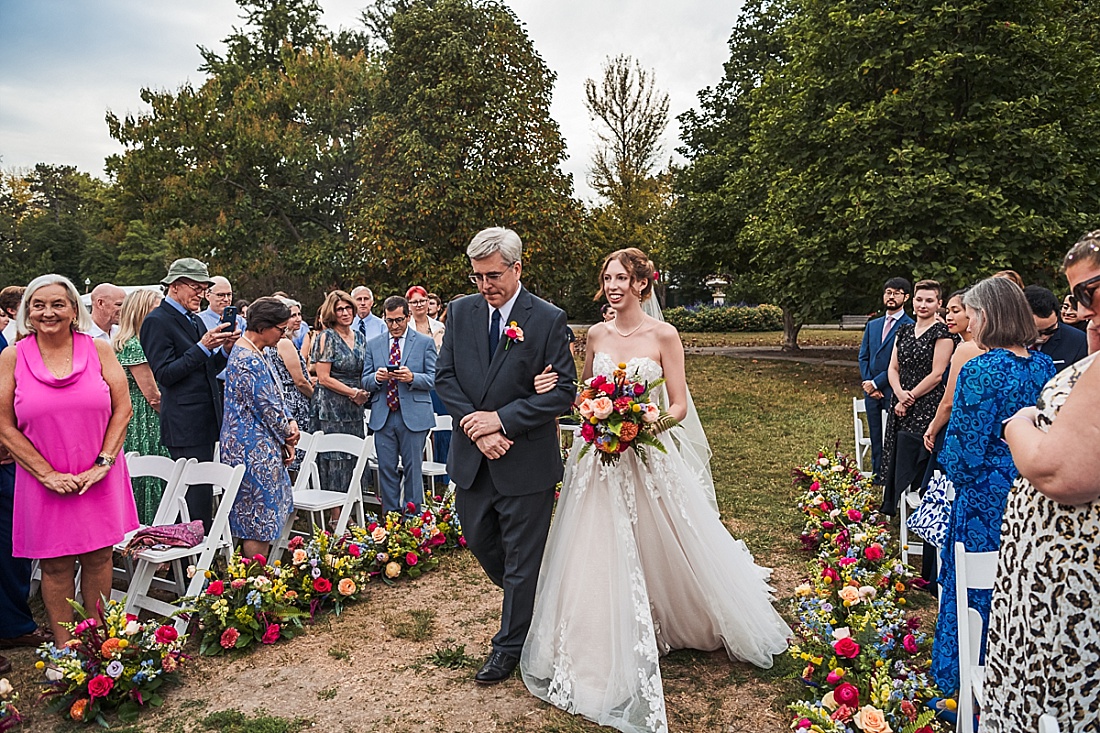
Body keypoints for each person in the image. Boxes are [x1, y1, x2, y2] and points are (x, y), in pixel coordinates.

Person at [521, 248, 790, 733]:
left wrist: (645, 426)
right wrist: (592, 415)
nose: (614, 285)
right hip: (598, 459)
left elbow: (681, 404)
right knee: (596, 542)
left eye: (623, 277)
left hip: (645, 452)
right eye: (608, 277)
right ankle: (596, 638)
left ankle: (680, 612)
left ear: (643, 284)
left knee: (665, 534)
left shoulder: (664, 335)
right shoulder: (597, 335)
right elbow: (584, 392)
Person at [435, 227, 577, 685]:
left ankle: (510, 646)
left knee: (521, 559)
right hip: (474, 458)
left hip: (526, 461)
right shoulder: (459, 312)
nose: (484, 285)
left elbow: (562, 394)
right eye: (477, 276)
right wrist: (477, 428)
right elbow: (446, 379)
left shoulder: (549, 319)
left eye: (493, 275)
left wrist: (502, 420)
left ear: (517, 268)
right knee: (479, 539)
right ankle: (533, 602)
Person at [981, 233, 1100, 732]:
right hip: (1045, 589)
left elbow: (1061, 471)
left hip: (1068, 602)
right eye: (1080, 299)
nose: (1086, 311)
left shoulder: (981, 365)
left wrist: (1018, 425)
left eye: (1092, 292)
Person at [929, 277, 1055, 696]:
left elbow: (962, 456)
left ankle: (960, 684)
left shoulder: (980, 370)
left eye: (975, 313)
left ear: (988, 315)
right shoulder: (1044, 366)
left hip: (984, 497)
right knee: (1017, 587)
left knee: (972, 590)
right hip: (1031, 493)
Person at [0, 275, 137, 644]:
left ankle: (100, 646)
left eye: (58, 304)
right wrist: (47, 474)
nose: (48, 312)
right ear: (27, 311)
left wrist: (103, 464)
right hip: (42, 479)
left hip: (100, 474)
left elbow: (123, 409)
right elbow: (3, 423)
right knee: (56, 566)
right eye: (39, 304)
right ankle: (68, 652)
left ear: (74, 309)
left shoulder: (100, 349)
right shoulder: (12, 357)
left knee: (99, 559)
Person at [141, 258, 240, 531]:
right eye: (196, 287)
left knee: (202, 497)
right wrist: (202, 346)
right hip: (184, 424)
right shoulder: (156, 321)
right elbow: (166, 374)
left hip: (205, 421)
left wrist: (225, 349)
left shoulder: (194, 320)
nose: (201, 294)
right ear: (174, 286)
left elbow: (207, 369)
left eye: (204, 288)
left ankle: (198, 562)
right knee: (192, 502)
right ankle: (191, 566)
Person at [912, 289, 985, 589]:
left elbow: (949, 400)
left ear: (974, 314)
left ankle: (933, 575)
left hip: (952, 432)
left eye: (957, 311)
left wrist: (932, 427)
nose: (949, 317)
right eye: (950, 311)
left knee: (938, 496)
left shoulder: (966, 349)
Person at [221, 298, 300, 559]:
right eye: (281, 328)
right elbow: (266, 406)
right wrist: (288, 434)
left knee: (262, 515)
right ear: (263, 327)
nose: (284, 334)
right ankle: (256, 584)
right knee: (257, 521)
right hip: (251, 448)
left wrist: (290, 422)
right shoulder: (247, 359)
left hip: (260, 442)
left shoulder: (259, 351)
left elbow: (276, 395)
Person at [880, 279, 953, 514]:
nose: (923, 305)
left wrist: (909, 397)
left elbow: (937, 373)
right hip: (900, 399)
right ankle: (896, 505)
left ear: (938, 303)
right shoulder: (903, 329)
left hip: (926, 403)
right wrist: (900, 395)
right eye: (920, 299)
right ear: (913, 301)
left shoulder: (943, 333)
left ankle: (919, 508)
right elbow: (892, 367)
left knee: (917, 456)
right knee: (896, 452)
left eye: (929, 300)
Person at [361, 296, 437, 514]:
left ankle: (414, 519)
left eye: (399, 320)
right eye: (389, 321)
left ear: (408, 317)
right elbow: (364, 380)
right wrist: (377, 378)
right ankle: (391, 519)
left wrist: (412, 377)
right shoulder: (374, 344)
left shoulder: (424, 343)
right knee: (386, 468)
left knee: (413, 469)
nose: (394, 326)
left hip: (413, 415)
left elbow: (434, 379)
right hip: (384, 414)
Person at [113, 289, 170, 524]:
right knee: (151, 477)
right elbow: (153, 396)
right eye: (156, 309)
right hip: (146, 421)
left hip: (142, 417)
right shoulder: (135, 345)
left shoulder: (133, 342)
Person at [857, 277, 914, 480]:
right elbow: (864, 356)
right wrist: (869, 384)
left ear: (906, 297)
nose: (891, 296)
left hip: (894, 388)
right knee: (875, 432)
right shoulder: (873, 325)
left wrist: (877, 382)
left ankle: (893, 474)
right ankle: (877, 472)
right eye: (888, 292)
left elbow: (901, 362)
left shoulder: (910, 326)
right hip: (872, 390)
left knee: (894, 434)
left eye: (897, 293)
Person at [311, 290, 368, 493]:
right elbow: (323, 377)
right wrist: (352, 392)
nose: (345, 313)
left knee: (354, 454)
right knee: (335, 456)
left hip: (355, 406)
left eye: (348, 308)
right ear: (332, 313)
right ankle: (336, 513)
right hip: (331, 405)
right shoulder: (326, 337)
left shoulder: (360, 337)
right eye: (339, 309)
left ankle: (354, 505)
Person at [267, 297, 314, 476]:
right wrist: (315, 396)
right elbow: (299, 381)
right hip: (293, 402)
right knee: (296, 455)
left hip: (282, 398)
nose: (297, 319)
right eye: (292, 315)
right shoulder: (284, 343)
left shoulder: (270, 343)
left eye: (299, 314)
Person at [1024, 284, 1088, 372]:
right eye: (1036, 332)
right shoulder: (1003, 340)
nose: (1043, 337)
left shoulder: (1078, 342)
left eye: (1050, 330)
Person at [406, 285, 445, 350]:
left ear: (427, 302)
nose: (419, 305)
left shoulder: (439, 326)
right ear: (408, 305)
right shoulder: (406, 326)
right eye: (414, 302)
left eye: (422, 301)